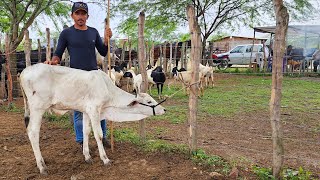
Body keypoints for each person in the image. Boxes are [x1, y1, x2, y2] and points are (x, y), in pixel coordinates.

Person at [44, 2, 112, 148]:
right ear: (72, 15)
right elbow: (58, 54)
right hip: (76, 77)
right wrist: (53, 62)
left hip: (94, 76)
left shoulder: (93, 32)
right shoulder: (66, 33)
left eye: (83, 14)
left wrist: (106, 40)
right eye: (77, 13)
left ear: (88, 16)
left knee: (99, 107)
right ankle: (82, 140)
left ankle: (103, 136)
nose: (80, 16)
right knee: (79, 109)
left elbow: (103, 52)